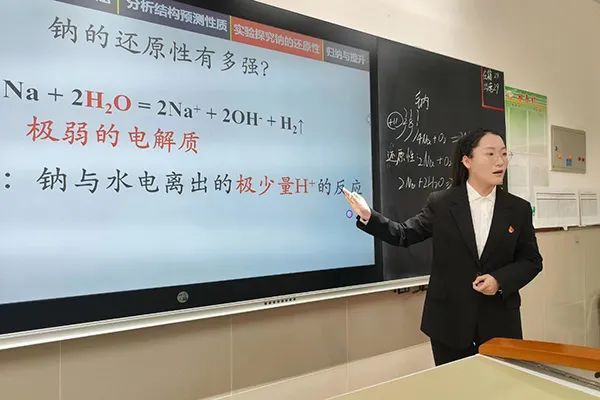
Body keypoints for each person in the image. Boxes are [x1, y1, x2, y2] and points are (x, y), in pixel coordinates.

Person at [343, 128, 543, 366]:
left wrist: (499, 280)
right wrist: (369, 216)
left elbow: (532, 261)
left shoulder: (518, 209)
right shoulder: (442, 203)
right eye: (490, 154)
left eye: (504, 153)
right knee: (453, 384)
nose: (500, 161)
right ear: (467, 161)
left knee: (500, 384)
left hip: (499, 322)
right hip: (449, 322)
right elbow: (404, 234)